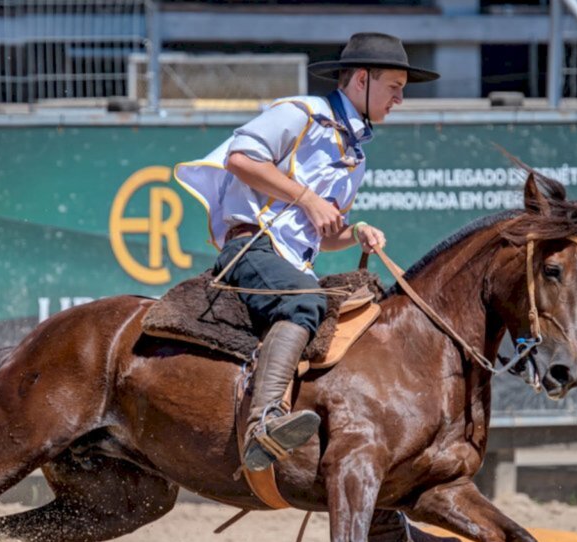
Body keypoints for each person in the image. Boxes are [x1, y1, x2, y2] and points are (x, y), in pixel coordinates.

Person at [174, 33, 439, 472]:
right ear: (360, 79)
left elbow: (325, 233)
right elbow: (241, 159)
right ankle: (263, 424)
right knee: (305, 301)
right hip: (251, 247)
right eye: (394, 87)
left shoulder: (357, 157)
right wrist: (308, 199)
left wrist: (354, 231)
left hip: (291, 261)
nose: (400, 99)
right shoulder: (301, 113)